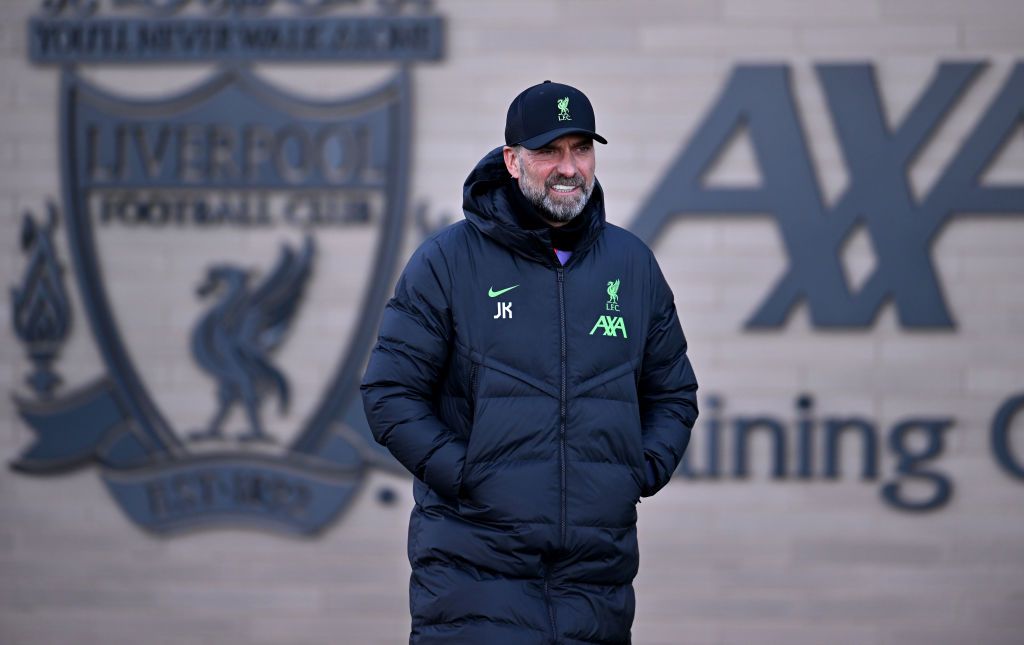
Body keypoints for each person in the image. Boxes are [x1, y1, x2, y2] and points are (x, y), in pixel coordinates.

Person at [361, 80, 698, 645]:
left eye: (581, 148)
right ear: (512, 161)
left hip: (595, 586)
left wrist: (633, 474)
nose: (569, 167)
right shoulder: (447, 261)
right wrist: (470, 477)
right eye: (549, 151)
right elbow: (388, 394)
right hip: (474, 577)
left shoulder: (632, 265)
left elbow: (674, 394)